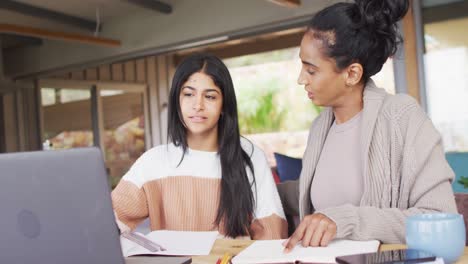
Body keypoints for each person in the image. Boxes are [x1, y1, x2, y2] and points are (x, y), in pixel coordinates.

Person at [282, 0, 457, 251]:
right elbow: (316, 190)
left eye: (311, 70)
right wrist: (254, 186)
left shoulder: (402, 117)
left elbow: (438, 218)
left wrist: (345, 220)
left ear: (352, 74)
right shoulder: (320, 126)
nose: (301, 79)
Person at [112, 53, 287, 239]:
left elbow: (272, 232)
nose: (198, 105)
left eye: (210, 97)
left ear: (224, 105)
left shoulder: (249, 156)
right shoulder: (154, 161)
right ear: (177, 101)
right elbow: (109, 221)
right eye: (188, 94)